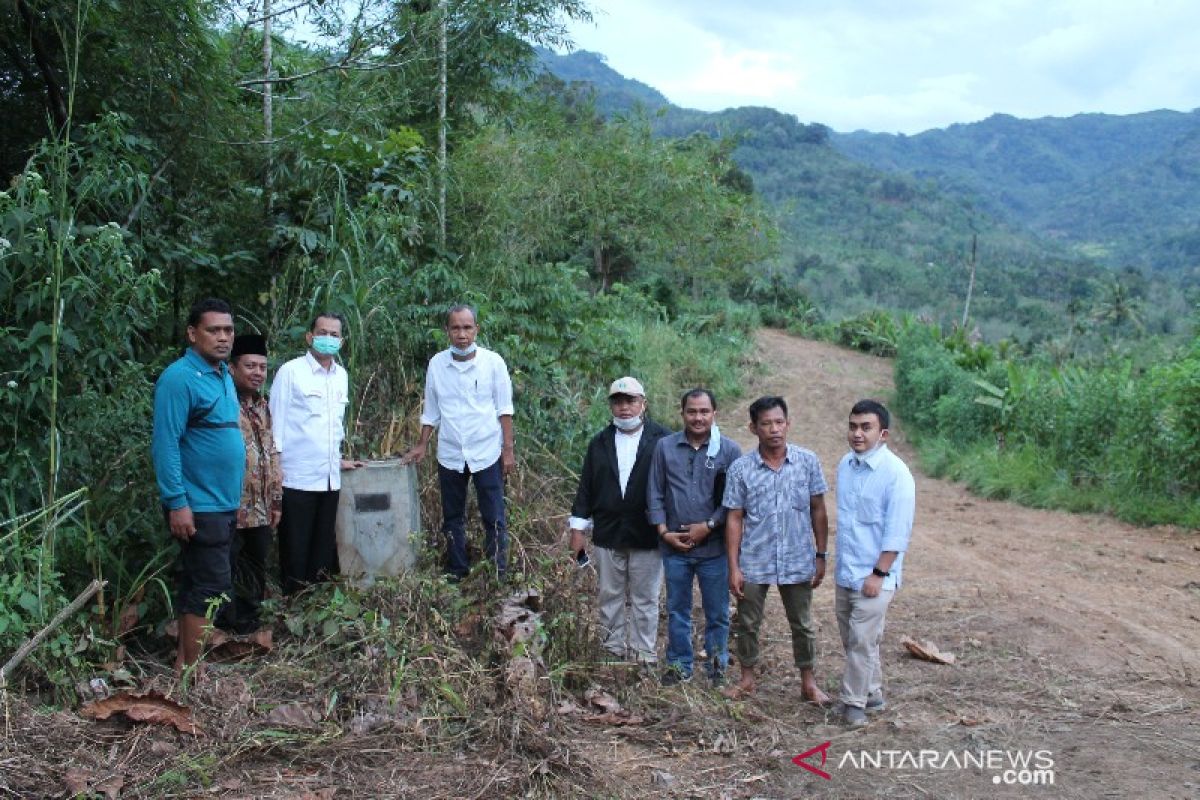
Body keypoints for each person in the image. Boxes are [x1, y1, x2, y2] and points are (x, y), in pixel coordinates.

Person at [151, 298, 245, 674]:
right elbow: (166, 443)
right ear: (193, 334)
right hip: (197, 504)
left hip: (221, 503)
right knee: (210, 586)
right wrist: (177, 502)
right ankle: (192, 670)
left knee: (199, 583)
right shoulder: (179, 378)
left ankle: (184, 667)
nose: (223, 338)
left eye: (228, 330)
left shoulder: (222, 374)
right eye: (214, 330)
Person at [722, 396, 831, 703]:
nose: (774, 429)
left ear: (788, 423)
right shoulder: (741, 469)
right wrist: (734, 566)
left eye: (779, 422)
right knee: (747, 622)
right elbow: (734, 517)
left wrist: (821, 555)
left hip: (798, 558)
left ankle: (808, 682)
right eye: (766, 423)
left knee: (803, 623)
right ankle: (746, 679)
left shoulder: (807, 461)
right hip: (754, 559)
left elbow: (818, 509)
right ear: (753, 428)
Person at [402, 305, 515, 580]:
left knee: (494, 517)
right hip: (451, 453)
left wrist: (508, 451)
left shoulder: (493, 363)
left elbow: (504, 409)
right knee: (453, 517)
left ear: (477, 329)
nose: (462, 334)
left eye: (467, 327)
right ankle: (457, 570)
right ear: (447, 331)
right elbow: (432, 411)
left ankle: (498, 573)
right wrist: (421, 444)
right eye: (456, 328)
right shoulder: (437, 364)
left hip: (486, 451)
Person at [569, 377, 670, 664]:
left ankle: (644, 655)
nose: (624, 407)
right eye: (618, 401)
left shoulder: (663, 440)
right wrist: (578, 529)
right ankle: (612, 652)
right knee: (609, 594)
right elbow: (586, 487)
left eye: (631, 401)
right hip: (608, 531)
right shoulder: (599, 443)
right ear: (611, 405)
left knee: (646, 598)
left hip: (647, 533)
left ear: (643, 404)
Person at [647, 388, 742, 686]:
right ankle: (678, 666)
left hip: (714, 549)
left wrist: (709, 525)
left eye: (704, 412)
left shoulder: (729, 451)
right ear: (682, 413)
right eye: (692, 411)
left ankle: (716, 667)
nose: (698, 417)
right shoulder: (665, 447)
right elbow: (654, 493)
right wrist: (664, 532)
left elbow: (734, 501)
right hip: (675, 547)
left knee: (717, 613)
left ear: (714, 414)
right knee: (677, 610)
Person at [833, 399, 916, 728]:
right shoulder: (845, 465)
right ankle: (874, 693)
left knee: (862, 639)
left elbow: (897, 532)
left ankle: (853, 705)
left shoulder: (896, 475)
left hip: (874, 575)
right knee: (855, 639)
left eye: (865, 427)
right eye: (853, 426)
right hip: (847, 572)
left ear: (882, 434)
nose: (857, 433)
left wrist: (878, 574)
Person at [269, 312, 362, 596]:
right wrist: (275, 467)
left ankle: (318, 605)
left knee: (323, 547)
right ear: (309, 337)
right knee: (296, 547)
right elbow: (275, 424)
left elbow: (332, 428)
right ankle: (293, 604)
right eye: (322, 333)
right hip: (297, 477)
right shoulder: (291, 372)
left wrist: (338, 460)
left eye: (334, 335)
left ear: (342, 341)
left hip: (329, 478)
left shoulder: (341, 376)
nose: (328, 339)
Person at [222, 333, 282, 634]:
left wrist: (276, 500)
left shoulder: (264, 405)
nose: (257, 373)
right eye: (250, 366)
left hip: (260, 506)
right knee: (225, 566)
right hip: (229, 503)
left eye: (262, 367)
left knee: (255, 564)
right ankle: (223, 624)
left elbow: (271, 452)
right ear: (232, 368)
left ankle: (250, 621)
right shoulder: (222, 402)